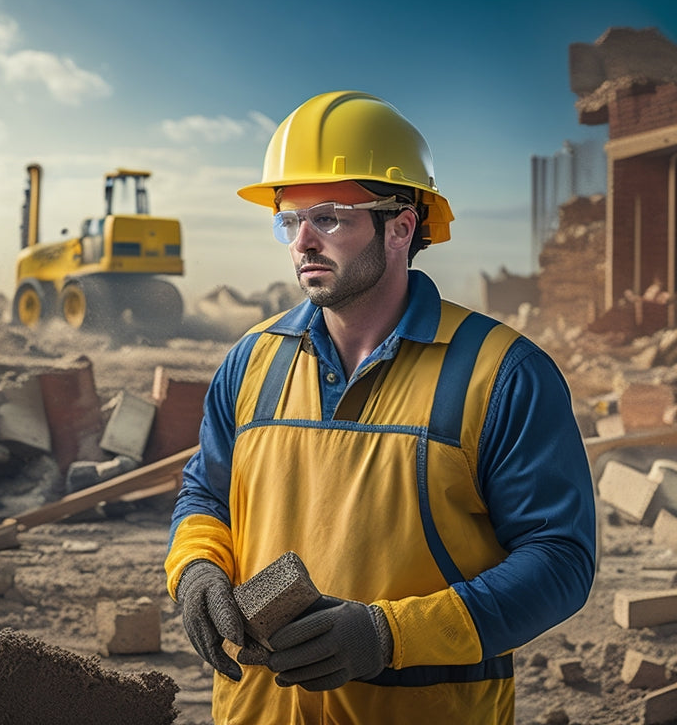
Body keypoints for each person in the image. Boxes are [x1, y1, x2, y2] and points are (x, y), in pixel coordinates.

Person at [164, 90, 596, 724]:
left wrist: (388, 636)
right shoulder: (250, 361)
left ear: (402, 226)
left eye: (331, 216)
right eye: (289, 218)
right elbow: (206, 495)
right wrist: (197, 568)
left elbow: (559, 560)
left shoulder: (503, 374)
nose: (302, 240)